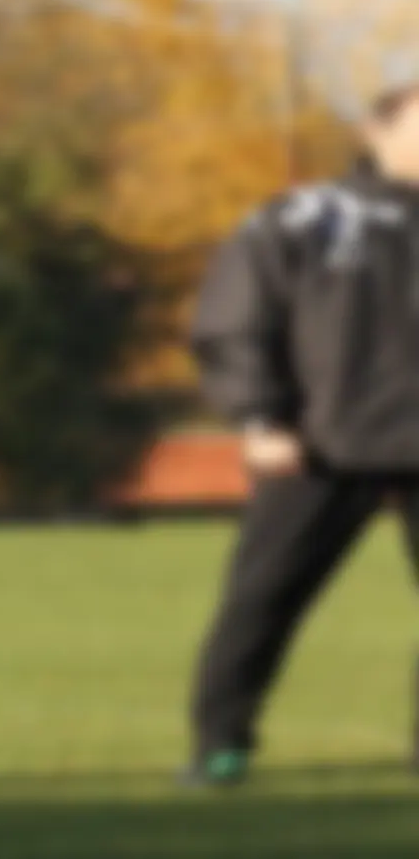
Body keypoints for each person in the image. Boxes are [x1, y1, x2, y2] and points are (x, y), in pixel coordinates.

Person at [185, 81, 419, 786]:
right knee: (263, 598)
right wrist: (260, 417)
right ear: (377, 132)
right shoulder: (305, 219)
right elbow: (237, 319)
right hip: (319, 443)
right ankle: (221, 744)